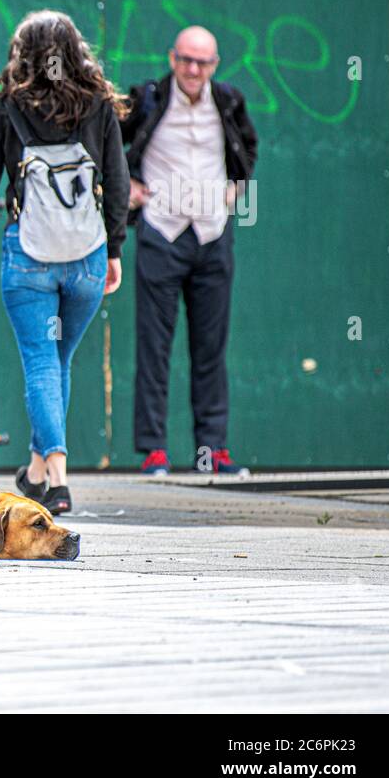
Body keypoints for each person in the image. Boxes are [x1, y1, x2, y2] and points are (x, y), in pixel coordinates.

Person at [0, 10, 129, 515]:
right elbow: (116, 182)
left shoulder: (6, 106)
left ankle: (57, 477)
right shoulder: (97, 104)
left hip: (28, 258)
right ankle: (34, 471)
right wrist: (113, 248)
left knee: (41, 361)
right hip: (86, 258)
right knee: (57, 361)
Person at [121, 25, 258, 476]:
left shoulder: (228, 101)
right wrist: (128, 187)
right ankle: (153, 450)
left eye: (203, 62)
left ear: (215, 65)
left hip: (213, 236)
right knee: (154, 346)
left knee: (211, 346)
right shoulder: (148, 98)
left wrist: (237, 189)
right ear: (172, 58)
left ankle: (212, 450)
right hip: (162, 232)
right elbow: (109, 143)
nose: (193, 69)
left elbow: (247, 147)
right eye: (186, 60)